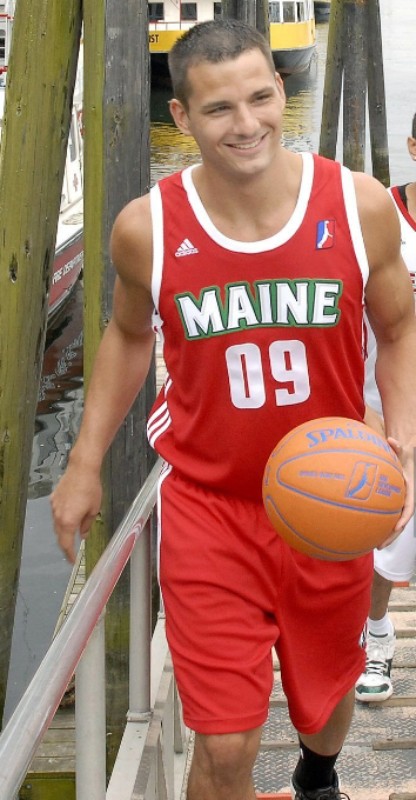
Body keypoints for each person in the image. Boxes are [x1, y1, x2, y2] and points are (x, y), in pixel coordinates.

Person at [50, 19, 416, 800]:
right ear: (181, 116)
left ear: (281, 89)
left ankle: (317, 774)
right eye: (219, 109)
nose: (246, 125)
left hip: (332, 499)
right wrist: (83, 464)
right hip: (210, 508)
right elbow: (127, 337)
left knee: (326, 699)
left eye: (260, 98)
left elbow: (398, 328)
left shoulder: (358, 206)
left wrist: (402, 441)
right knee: (223, 744)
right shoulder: (148, 228)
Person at [355, 117, 416, 703]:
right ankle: (376, 635)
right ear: (413, 147)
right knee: (382, 538)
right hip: (385, 408)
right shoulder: (379, 220)